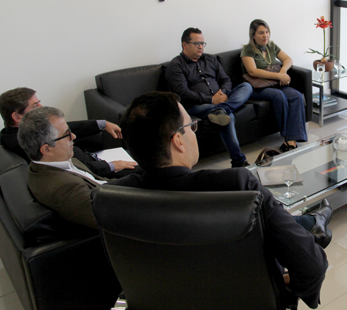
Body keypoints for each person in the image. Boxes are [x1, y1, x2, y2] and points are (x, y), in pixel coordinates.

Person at [110, 92, 329, 308]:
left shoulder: (113, 197)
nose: (193, 133)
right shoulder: (237, 185)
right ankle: (312, 223)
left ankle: (311, 222)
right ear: (178, 141)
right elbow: (312, 266)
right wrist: (285, 289)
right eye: (191, 127)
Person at [1, 87, 138, 178]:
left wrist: (102, 124)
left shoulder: (20, 132)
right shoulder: (28, 142)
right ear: (17, 116)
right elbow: (71, 169)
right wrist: (111, 166)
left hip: (94, 160)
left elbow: (64, 128)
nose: (42, 107)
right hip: (96, 172)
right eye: (35, 106)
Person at [165, 27, 253, 168]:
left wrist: (222, 93)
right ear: (184, 44)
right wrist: (211, 100)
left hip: (221, 99)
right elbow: (183, 93)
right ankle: (238, 161)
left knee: (246, 87)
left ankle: (222, 109)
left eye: (202, 43)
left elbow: (226, 80)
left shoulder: (210, 59)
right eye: (197, 43)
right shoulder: (175, 66)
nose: (201, 47)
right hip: (197, 105)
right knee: (228, 117)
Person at [18, 106, 111, 229]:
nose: (74, 136)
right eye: (67, 134)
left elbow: (100, 182)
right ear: (47, 149)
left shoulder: (59, 162)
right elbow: (111, 217)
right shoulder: (63, 188)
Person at [241, 19, 307, 152]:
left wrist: (283, 71)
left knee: (296, 96)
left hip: (274, 84)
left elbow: (288, 59)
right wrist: (278, 76)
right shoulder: (247, 50)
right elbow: (252, 71)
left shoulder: (271, 46)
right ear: (253, 35)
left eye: (267, 32)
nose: (265, 35)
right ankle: (287, 137)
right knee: (279, 95)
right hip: (257, 87)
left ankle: (291, 140)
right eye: (261, 33)